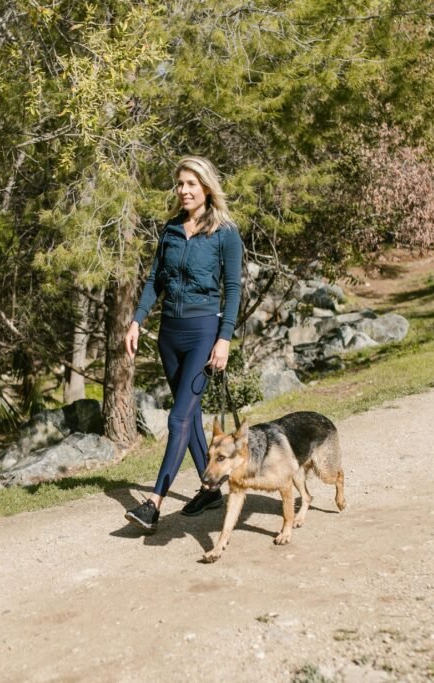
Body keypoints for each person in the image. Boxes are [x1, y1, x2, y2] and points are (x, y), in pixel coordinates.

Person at [123, 155, 243, 533]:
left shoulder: (225, 232)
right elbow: (155, 279)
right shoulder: (171, 230)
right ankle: (210, 489)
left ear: (206, 187)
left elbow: (234, 289)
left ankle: (153, 504)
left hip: (204, 332)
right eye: (180, 184)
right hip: (170, 335)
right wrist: (137, 320)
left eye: (191, 184)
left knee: (177, 417)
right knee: (187, 415)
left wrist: (224, 339)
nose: (184, 190)